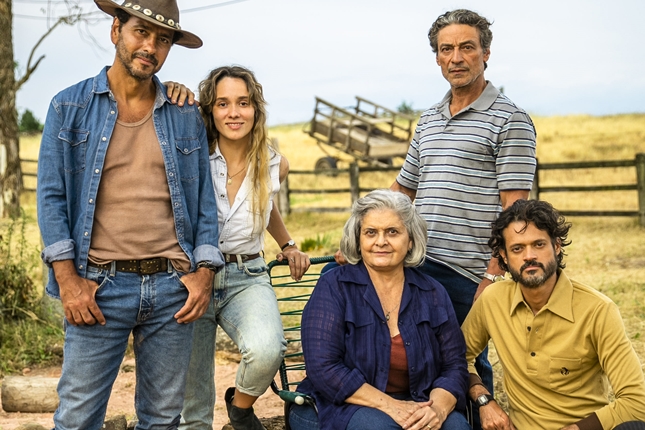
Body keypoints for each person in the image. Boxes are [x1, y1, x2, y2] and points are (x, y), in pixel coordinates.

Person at [36, 0, 223, 428]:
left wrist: (204, 272)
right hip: (97, 287)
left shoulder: (184, 114)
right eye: (141, 32)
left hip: (172, 288)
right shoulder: (69, 108)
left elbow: (204, 205)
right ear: (115, 30)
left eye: (163, 39)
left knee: (162, 419)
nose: (151, 46)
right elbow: (51, 200)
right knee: (78, 418)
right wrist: (68, 282)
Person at [389, 10, 537, 423]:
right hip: (416, 261)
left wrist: (493, 275)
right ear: (437, 58)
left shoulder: (511, 120)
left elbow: (516, 211)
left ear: (486, 53)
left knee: (465, 361)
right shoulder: (429, 119)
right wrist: (363, 233)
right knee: (422, 357)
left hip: (468, 270)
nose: (456, 57)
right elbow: (403, 189)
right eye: (446, 49)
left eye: (466, 47)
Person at [178, 66, 311, 430]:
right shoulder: (192, 158)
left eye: (243, 103)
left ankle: (239, 406)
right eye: (223, 104)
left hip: (246, 274)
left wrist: (288, 244)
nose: (234, 113)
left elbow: (267, 208)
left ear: (256, 109)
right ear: (210, 110)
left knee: (268, 349)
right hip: (192, 278)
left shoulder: (273, 163)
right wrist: (174, 90)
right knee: (194, 401)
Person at [289, 189, 470, 430]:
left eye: (392, 232)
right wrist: (391, 406)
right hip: (340, 405)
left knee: (455, 427)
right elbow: (324, 368)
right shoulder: (334, 286)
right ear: (359, 239)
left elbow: (454, 365)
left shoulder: (432, 292)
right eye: (371, 232)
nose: (381, 241)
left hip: (417, 400)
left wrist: (437, 408)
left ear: (411, 240)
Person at [463, 199, 645, 430]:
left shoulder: (598, 310)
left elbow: (635, 403)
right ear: (503, 256)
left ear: (557, 246)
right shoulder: (493, 300)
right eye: (517, 248)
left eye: (539, 244)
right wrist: (484, 400)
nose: (529, 256)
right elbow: (457, 357)